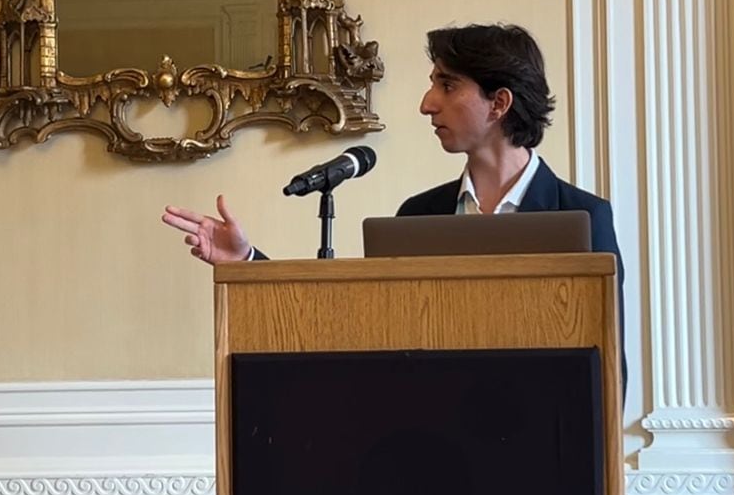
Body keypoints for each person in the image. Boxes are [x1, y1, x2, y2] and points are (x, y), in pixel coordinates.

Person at [162, 22, 626, 385]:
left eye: (447, 85)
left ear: (498, 103)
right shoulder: (417, 216)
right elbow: (357, 331)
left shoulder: (584, 218)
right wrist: (245, 261)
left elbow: (609, 376)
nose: (427, 104)